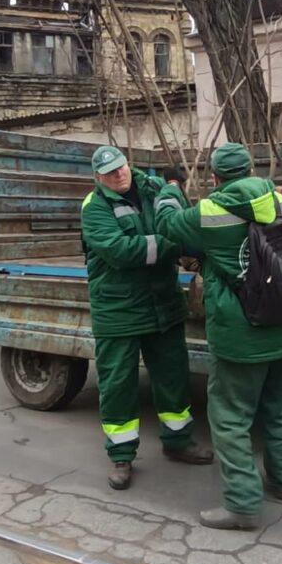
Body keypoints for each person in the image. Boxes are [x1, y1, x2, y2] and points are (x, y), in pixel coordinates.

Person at [154, 142, 282, 530]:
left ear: (215, 177)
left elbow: (168, 227)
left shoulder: (210, 211)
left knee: (230, 417)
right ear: (251, 169)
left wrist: (170, 189)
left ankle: (242, 506)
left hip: (242, 333)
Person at [81, 145, 213, 490]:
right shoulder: (94, 208)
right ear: (99, 178)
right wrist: (172, 246)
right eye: (110, 172)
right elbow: (122, 252)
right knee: (118, 385)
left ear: (129, 164)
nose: (118, 174)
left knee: (173, 376)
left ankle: (178, 442)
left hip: (163, 305)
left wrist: (178, 229)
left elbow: (184, 222)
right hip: (118, 310)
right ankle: (121, 455)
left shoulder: (156, 189)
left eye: (121, 167)